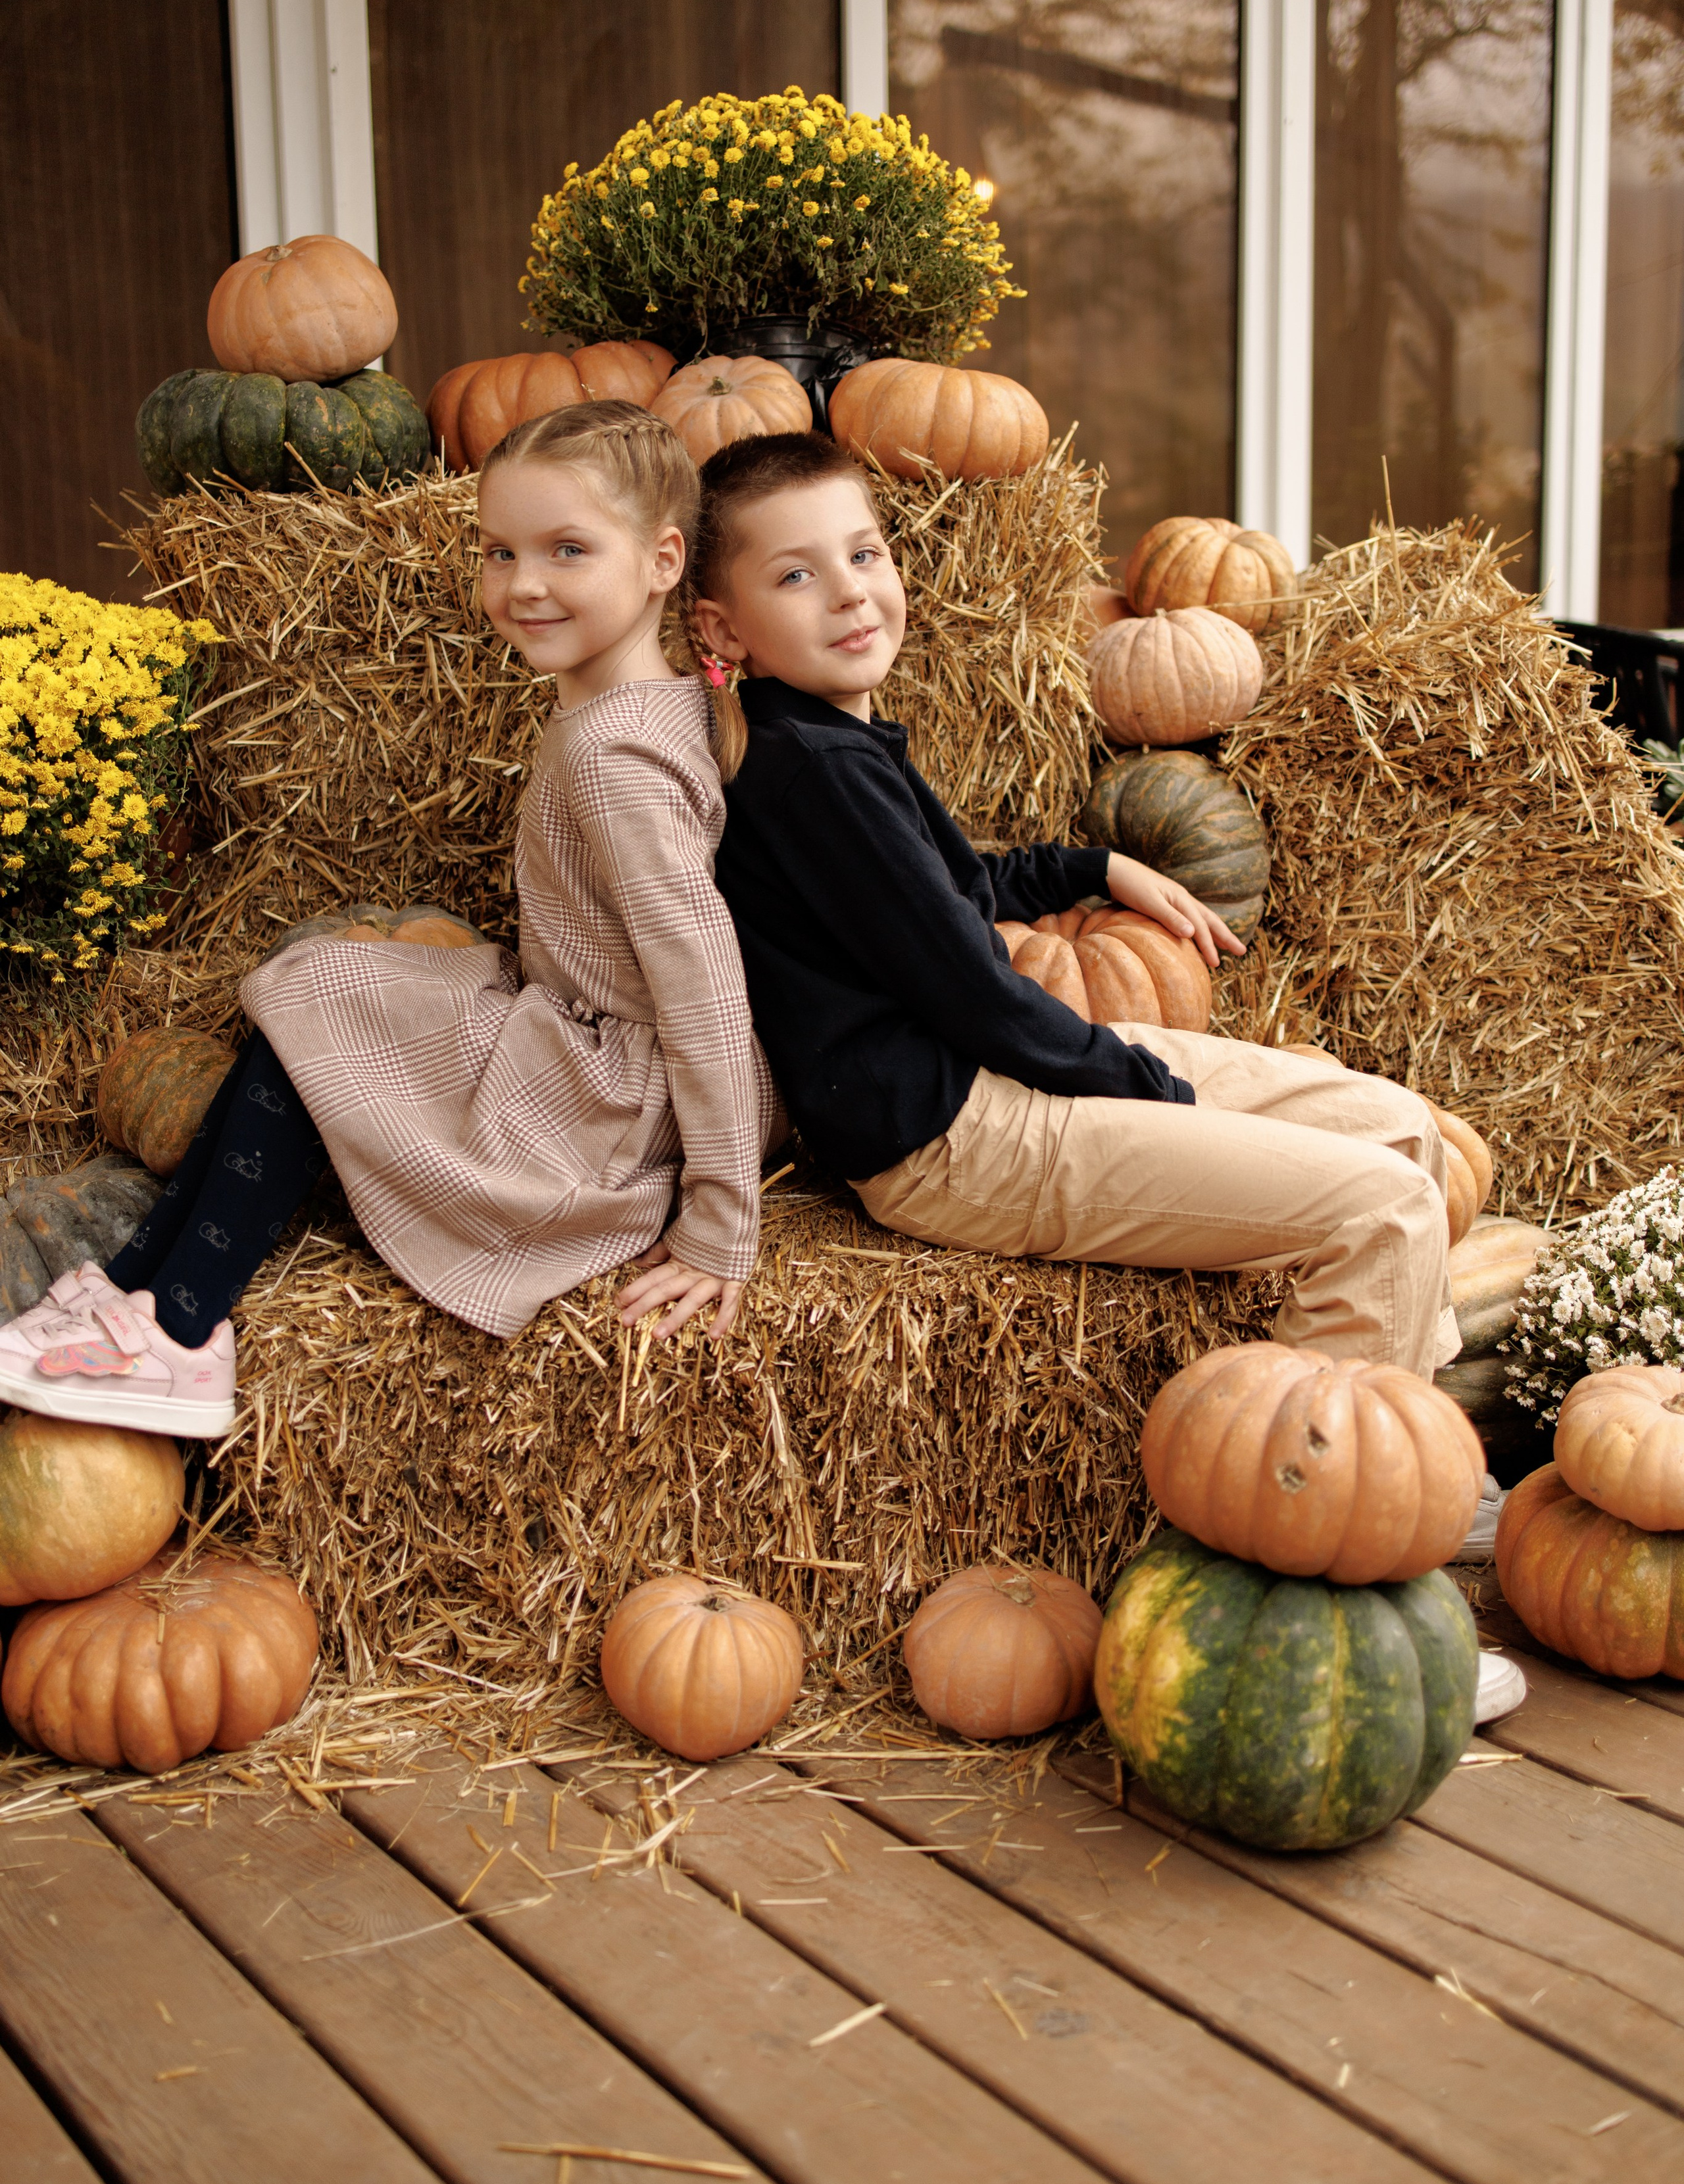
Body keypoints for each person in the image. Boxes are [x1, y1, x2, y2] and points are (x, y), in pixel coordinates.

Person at [0, 401, 779, 1438]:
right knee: (321, 992)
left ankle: (179, 1333)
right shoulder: (632, 706)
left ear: (662, 562)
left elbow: (707, 992)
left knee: (320, 1016)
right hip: (573, 1035)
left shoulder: (616, 761)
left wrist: (722, 1221)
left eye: (568, 550)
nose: (524, 584)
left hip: (605, 1109)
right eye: (500, 552)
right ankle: (138, 1289)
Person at [681, 429, 1460, 1382]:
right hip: (950, 1138)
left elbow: (949, 893)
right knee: (1386, 1206)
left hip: (997, 1077)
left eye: (865, 554)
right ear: (724, 631)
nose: (849, 591)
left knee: (1403, 1129)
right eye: (797, 576)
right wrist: (1149, 1088)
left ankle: (1409, 1419)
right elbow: (973, 991)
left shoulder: (828, 742)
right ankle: (1336, 1458)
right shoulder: (816, 775)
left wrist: (1097, 867)